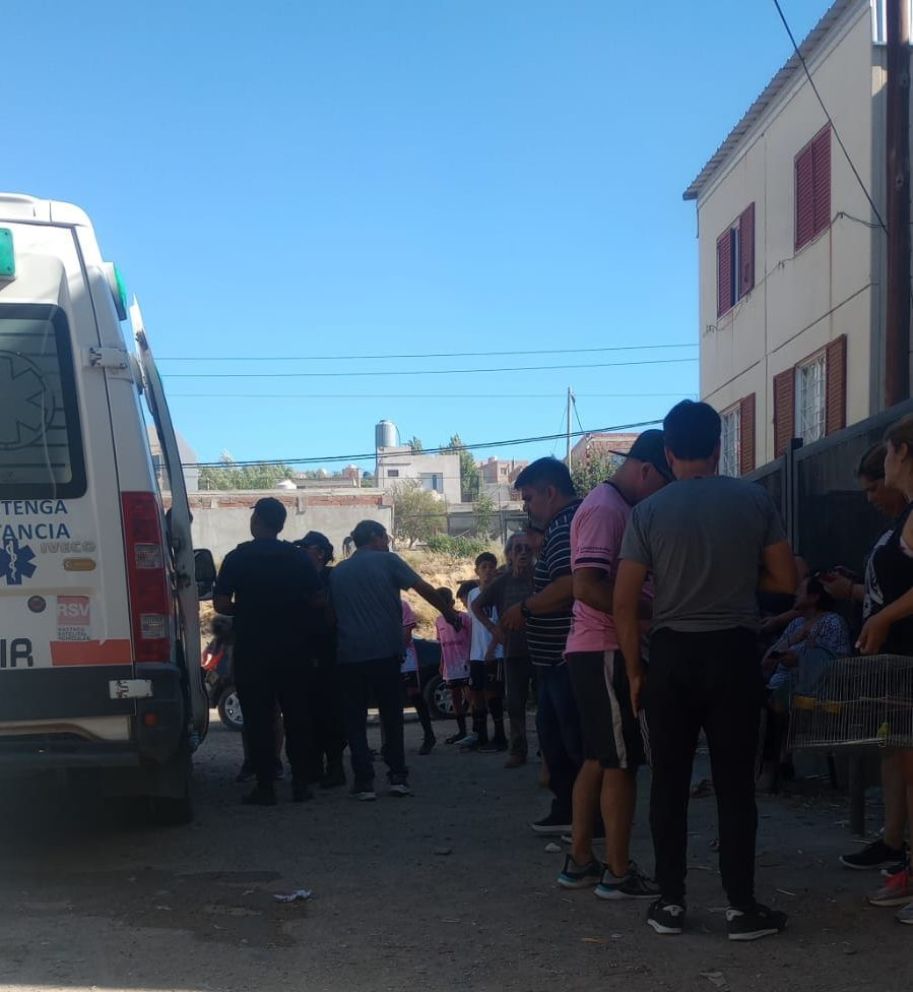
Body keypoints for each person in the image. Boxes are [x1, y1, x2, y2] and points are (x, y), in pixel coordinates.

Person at [613, 400, 797, 941]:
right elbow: (785, 582)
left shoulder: (647, 513)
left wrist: (634, 670)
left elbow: (624, 602)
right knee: (735, 786)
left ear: (668, 453)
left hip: (671, 656)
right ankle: (742, 907)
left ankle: (670, 903)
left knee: (667, 782)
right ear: (720, 447)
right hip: (735, 654)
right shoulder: (754, 499)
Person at [559, 429, 671, 899]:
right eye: (665, 484)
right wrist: (652, 611)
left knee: (600, 758)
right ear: (647, 471)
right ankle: (618, 871)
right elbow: (586, 585)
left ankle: (582, 860)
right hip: (605, 647)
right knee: (623, 763)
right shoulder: (608, 509)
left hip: (591, 649)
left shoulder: (613, 505)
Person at [329, 520, 460, 801]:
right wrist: (447, 611)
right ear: (375, 538)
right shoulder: (388, 561)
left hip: (349, 655)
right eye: (385, 537)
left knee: (355, 718)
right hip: (385, 653)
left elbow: (331, 613)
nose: (387, 542)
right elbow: (422, 587)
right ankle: (397, 776)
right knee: (391, 715)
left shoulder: (339, 572)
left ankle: (364, 781)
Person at [825, 443, 910, 872]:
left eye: (874, 486)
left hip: (905, 650)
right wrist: (854, 592)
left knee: (905, 751)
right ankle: (894, 841)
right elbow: (886, 592)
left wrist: (881, 619)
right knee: (893, 749)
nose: (871, 497)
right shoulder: (896, 527)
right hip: (891, 655)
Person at [213, 497, 323, 806]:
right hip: (294, 648)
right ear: (281, 524)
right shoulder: (298, 558)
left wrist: (247, 610)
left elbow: (221, 603)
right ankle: (301, 783)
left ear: (257, 521)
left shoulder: (238, 557)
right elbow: (318, 599)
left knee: (259, 719)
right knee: (298, 715)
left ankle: (265, 787)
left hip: (253, 649)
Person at [851, 418, 913, 924]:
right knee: (901, 759)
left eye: (888, 458)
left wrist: (886, 617)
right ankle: (903, 858)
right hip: (899, 656)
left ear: (902, 453)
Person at [501, 457, 582, 835]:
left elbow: (569, 587)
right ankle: (567, 810)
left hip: (567, 659)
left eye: (530, 498)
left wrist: (525, 608)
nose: (527, 507)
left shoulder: (565, 527)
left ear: (551, 493)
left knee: (571, 742)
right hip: (553, 659)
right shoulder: (558, 529)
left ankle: (582, 816)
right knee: (555, 739)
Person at [759, 575, 851, 791]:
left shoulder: (832, 622)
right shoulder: (797, 624)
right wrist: (796, 639)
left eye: (800, 591)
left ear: (814, 597)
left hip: (815, 690)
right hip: (782, 685)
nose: (795, 595)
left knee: (776, 705)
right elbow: (767, 661)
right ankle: (778, 761)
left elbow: (836, 664)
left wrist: (800, 659)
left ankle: (771, 768)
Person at [471, 534, 535, 766]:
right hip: (514, 651)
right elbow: (476, 606)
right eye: (517, 549)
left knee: (548, 703)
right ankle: (518, 751)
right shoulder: (502, 581)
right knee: (515, 704)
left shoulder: (541, 577)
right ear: (509, 555)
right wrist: (493, 629)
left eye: (527, 548)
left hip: (543, 650)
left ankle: (550, 751)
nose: (523, 553)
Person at [295, 531, 346, 789]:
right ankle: (315, 766)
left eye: (307, 548)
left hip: (328, 653)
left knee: (330, 714)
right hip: (305, 654)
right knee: (309, 714)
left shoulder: (332, 577)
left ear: (320, 552)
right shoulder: (299, 578)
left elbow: (331, 611)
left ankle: (334, 766)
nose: (302, 552)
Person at [462, 552, 505, 750]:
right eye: (484, 567)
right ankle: (480, 735)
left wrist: (491, 649)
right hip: (476, 653)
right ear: (476, 571)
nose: (488, 571)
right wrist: (470, 653)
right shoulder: (472, 594)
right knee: (476, 693)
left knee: (493, 694)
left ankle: (500, 737)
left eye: (491, 566)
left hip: (494, 652)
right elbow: (473, 625)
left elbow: (501, 625)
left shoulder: (499, 593)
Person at [434, 587, 473, 744]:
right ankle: (462, 731)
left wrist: (471, 659)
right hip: (450, 666)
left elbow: (471, 639)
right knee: (455, 698)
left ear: (451, 602)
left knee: (471, 696)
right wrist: (442, 663)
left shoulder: (464, 618)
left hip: (465, 663)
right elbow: (441, 644)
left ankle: (477, 730)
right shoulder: (438, 621)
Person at [401, 599, 437, 755]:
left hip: (404, 658)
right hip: (385, 657)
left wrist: (397, 650)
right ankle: (392, 742)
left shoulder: (402, 604)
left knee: (414, 695)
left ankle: (429, 735)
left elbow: (408, 631)